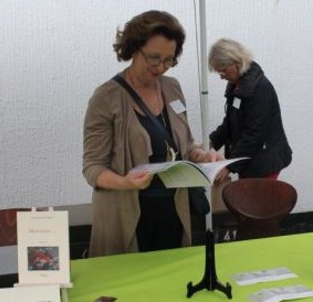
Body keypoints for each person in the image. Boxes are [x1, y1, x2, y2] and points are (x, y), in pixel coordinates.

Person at [83, 10, 221, 256]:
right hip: (127, 214)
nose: (161, 68)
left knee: (172, 281)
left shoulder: (172, 88)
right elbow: (92, 167)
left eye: (169, 60)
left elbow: (185, 144)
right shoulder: (106, 97)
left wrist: (202, 156)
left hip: (173, 210)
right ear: (134, 48)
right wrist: (124, 182)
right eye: (154, 58)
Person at [208, 38, 292, 180]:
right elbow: (229, 122)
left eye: (223, 72)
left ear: (236, 62)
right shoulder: (238, 84)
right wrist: (211, 143)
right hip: (250, 160)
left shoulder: (260, 89)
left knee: (257, 201)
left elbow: (255, 134)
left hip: (264, 162)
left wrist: (229, 167)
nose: (222, 77)